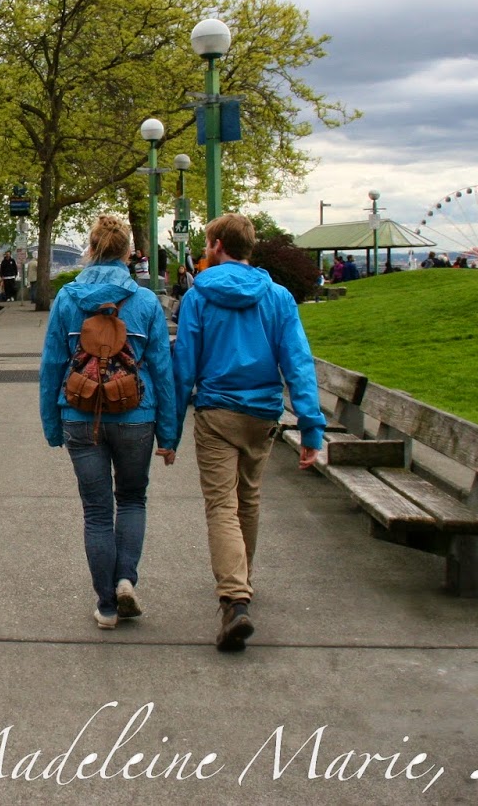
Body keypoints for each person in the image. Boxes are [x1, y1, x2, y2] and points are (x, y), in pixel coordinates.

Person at [164, 213, 325, 653]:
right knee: (248, 499)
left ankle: (235, 597)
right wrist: (311, 428)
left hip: (217, 411)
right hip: (262, 413)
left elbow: (184, 369)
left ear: (218, 245)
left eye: (207, 242)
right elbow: (298, 364)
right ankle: (242, 580)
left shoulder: (199, 297)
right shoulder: (278, 297)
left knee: (221, 504)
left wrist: (170, 432)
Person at [40, 214, 177, 630]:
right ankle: (125, 579)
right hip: (137, 414)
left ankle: (106, 606)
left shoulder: (67, 299)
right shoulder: (147, 302)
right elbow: (162, 370)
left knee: (97, 512)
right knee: (132, 499)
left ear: (90, 248)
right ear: (127, 252)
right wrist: (169, 433)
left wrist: (52, 425)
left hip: (79, 414)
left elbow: (52, 366)